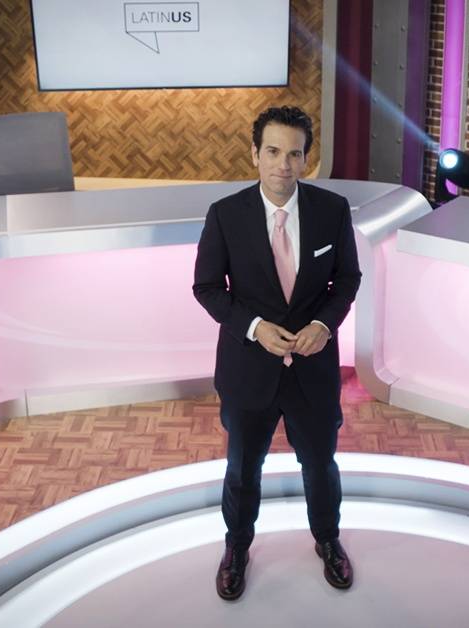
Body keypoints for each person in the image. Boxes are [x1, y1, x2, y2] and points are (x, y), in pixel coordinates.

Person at [193, 105, 361, 600]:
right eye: (273, 152)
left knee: (321, 465)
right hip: (248, 370)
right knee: (243, 469)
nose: (283, 165)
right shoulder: (225, 215)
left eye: (294, 154)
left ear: (306, 159)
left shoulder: (333, 210)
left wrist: (323, 325)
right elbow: (207, 287)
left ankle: (328, 540)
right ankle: (236, 548)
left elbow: (346, 280)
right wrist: (254, 328)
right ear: (255, 154)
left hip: (313, 370)